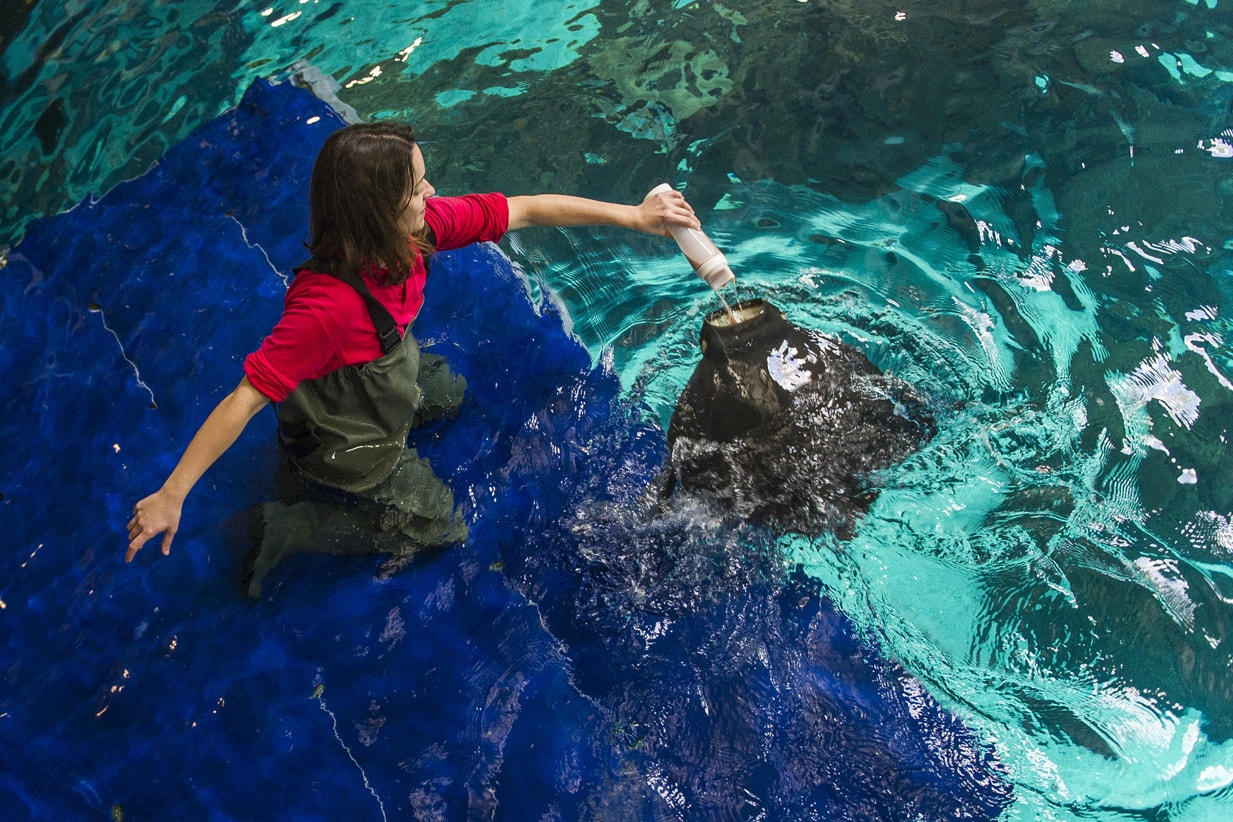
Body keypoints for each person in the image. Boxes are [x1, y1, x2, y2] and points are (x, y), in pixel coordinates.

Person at [125, 122, 700, 595]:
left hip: (383, 360)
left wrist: (633, 215)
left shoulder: (417, 232)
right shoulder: (324, 310)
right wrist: (173, 492)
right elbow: (245, 398)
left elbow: (524, 209)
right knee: (437, 527)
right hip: (340, 423)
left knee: (448, 393)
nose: (432, 194)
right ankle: (288, 527)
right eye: (417, 189)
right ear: (378, 212)